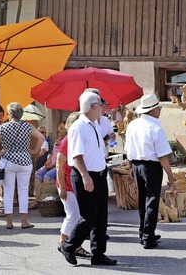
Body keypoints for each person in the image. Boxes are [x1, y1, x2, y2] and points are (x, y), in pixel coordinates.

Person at [60, 91, 117, 266]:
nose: (102, 108)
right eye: (100, 105)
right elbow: (77, 155)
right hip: (86, 174)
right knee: (88, 217)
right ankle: (69, 246)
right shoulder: (79, 126)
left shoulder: (94, 124)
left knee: (101, 217)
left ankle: (98, 253)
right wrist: (86, 176)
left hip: (98, 173)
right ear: (92, 107)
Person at [124, 94, 175, 249]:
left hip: (137, 164)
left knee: (143, 201)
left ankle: (144, 232)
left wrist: (131, 166)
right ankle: (148, 236)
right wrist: (171, 176)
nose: (159, 111)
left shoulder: (132, 125)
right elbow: (163, 156)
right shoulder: (156, 127)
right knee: (152, 200)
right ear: (153, 111)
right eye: (158, 108)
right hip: (151, 166)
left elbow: (128, 149)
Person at [0, 102, 43, 229]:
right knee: (23, 191)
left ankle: (9, 221)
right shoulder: (28, 126)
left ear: (11, 114)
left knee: (8, 191)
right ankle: (24, 221)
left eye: (8, 112)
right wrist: (35, 151)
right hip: (25, 161)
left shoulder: (4, 127)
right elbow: (41, 138)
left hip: (9, 161)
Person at [56, 112, 91, 258]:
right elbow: (59, 165)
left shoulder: (75, 139)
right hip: (67, 184)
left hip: (73, 184)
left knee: (77, 216)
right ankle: (63, 242)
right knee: (73, 215)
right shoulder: (67, 141)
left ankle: (74, 244)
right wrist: (63, 188)